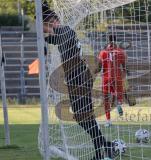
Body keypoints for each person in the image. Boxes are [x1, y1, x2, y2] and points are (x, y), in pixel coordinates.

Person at [40, 2, 115, 159]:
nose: (44, 28)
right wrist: (42, 10)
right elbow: (50, 39)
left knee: (84, 117)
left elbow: (52, 37)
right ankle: (105, 145)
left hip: (79, 78)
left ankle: (100, 153)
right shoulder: (64, 31)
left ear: (51, 22)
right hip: (78, 78)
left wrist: (43, 15)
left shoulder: (63, 31)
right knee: (83, 118)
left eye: (45, 25)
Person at [96, 35, 127, 127]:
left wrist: (93, 71)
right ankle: (118, 102)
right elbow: (124, 67)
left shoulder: (103, 53)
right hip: (117, 77)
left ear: (108, 41)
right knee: (116, 94)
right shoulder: (121, 52)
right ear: (116, 41)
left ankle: (108, 121)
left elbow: (99, 67)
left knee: (106, 99)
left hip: (106, 78)